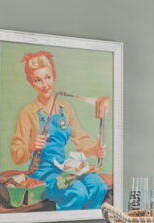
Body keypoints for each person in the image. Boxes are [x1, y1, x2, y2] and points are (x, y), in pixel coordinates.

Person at [7, 49, 110, 211]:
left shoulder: (65, 108)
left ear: (54, 76)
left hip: (64, 168)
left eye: (48, 77)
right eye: (38, 80)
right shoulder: (28, 112)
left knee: (99, 186)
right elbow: (16, 153)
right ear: (31, 83)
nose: (45, 84)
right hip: (43, 173)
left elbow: (81, 139)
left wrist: (95, 149)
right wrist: (30, 146)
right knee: (77, 192)